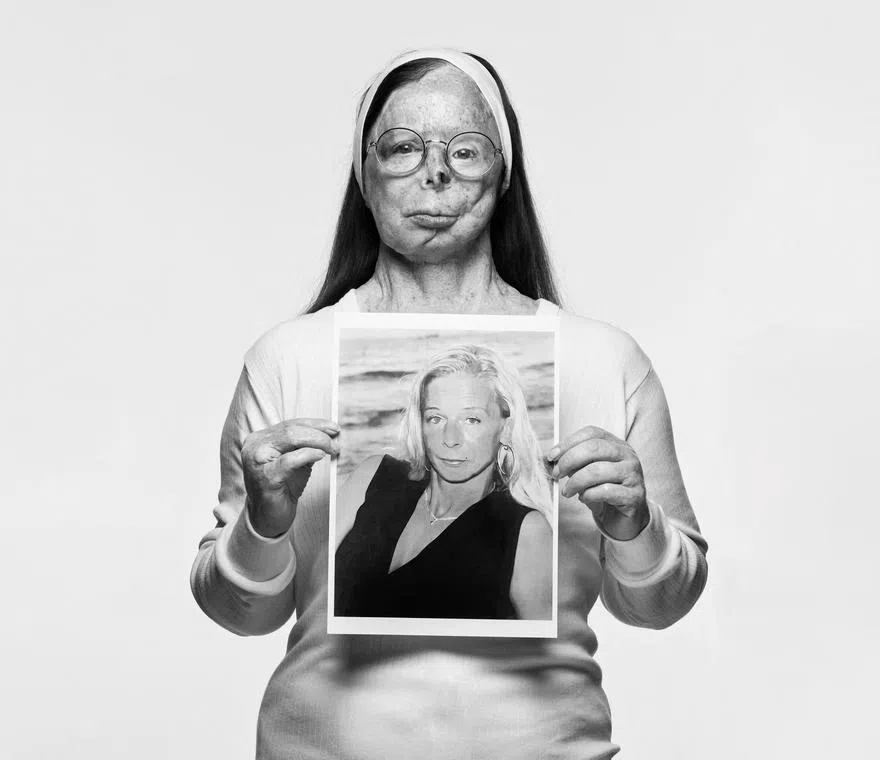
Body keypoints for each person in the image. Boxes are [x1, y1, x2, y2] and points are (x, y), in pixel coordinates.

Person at [190, 47, 709, 759]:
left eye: (464, 150)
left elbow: (661, 606)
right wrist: (263, 520)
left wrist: (636, 525)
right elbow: (240, 613)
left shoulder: (602, 359)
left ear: (504, 171)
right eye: (403, 147)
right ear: (363, 173)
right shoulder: (289, 358)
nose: (434, 172)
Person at [333, 344, 554, 621]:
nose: (450, 439)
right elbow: (315, 592)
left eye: (471, 419)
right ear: (420, 424)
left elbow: (543, 644)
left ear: (505, 427)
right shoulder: (372, 476)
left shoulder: (525, 531)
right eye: (435, 418)